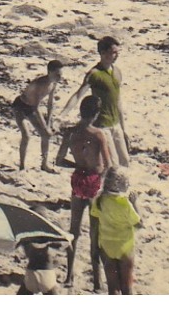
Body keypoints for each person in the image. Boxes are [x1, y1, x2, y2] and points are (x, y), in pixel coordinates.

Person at [55, 95, 115, 290]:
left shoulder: (71, 133)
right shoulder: (98, 135)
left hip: (78, 181)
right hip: (93, 183)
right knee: (94, 235)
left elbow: (59, 160)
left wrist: (78, 166)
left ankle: (69, 277)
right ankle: (97, 282)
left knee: (74, 232)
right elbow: (108, 165)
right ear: (96, 113)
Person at [61, 36, 130, 169]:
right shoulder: (94, 73)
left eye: (117, 52)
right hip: (102, 125)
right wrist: (63, 114)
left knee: (125, 161)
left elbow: (118, 101)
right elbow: (78, 95)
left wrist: (123, 128)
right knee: (112, 164)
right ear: (103, 53)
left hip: (116, 124)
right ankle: (107, 189)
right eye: (113, 52)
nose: (116, 56)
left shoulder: (117, 72)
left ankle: (121, 188)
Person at [89, 168, 142, 294]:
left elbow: (95, 227)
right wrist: (135, 203)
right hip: (125, 246)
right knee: (126, 288)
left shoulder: (99, 200)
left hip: (107, 246)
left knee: (112, 289)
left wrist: (95, 247)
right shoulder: (125, 203)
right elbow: (139, 224)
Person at [11, 60, 63, 172]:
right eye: (57, 75)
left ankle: (44, 164)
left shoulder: (53, 84)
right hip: (20, 106)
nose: (60, 78)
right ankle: (22, 166)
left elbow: (50, 104)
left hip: (30, 108)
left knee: (46, 136)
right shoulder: (39, 84)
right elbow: (36, 107)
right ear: (50, 72)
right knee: (26, 135)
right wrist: (45, 127)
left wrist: (48, 124)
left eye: (61, 75)